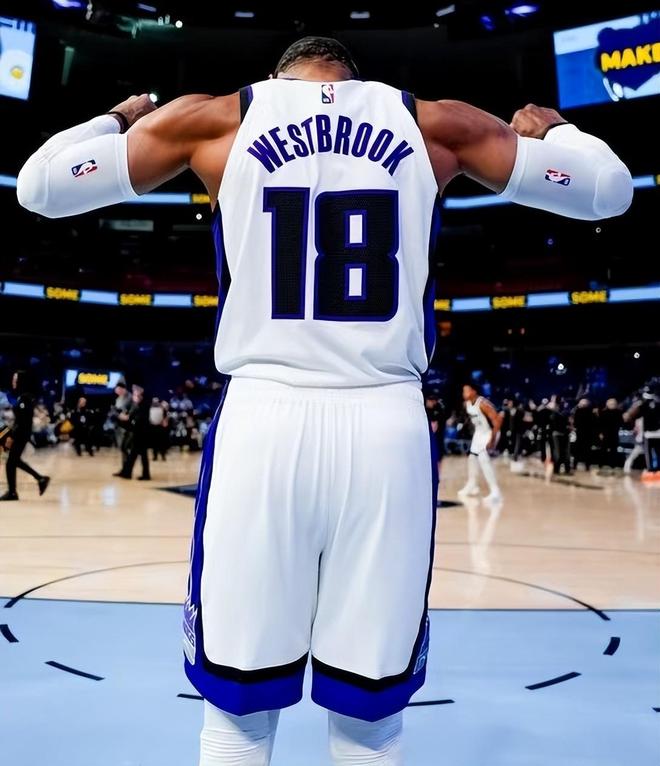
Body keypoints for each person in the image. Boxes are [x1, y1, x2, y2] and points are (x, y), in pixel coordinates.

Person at [16, 35, 633, 766]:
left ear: (279, 78)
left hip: (262, 422)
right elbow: (608, 190)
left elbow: (40, 187)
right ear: (355, 78)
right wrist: (556, 131)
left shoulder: (218, 117)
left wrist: (115, 119)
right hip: (385, 425)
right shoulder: (434, 122)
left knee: (238, 714)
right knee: (371, 718)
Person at [0, 371, 50, 501]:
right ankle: (40, 479)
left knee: (11, 462)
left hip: (21, 434)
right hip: (22, 433)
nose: (13, 381)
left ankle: (12, 492)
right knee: (14, 461)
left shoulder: (25, 398)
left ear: (21, 381)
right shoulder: (23, 397)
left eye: (15, 379)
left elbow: (22, 421)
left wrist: (12, 436)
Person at [458, 383, 503, 504]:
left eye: (466, 391)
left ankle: (495, 491)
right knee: (472, 458)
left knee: (483, 458)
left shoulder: (483, 404)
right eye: (463, 391)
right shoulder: (467, 404)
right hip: (479, 433)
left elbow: (498, 420)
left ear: (474, 391)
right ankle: (472, 485)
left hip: (490, 432)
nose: (464, 393)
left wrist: (492, 439)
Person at [114, 385, 151, 481]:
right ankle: (131, 473)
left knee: (135, 454)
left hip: (141, 433)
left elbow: (139, 419)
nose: (134, 397)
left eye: (135, 394)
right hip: (139, 432)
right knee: (138, 454)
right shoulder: (140, 405)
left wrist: (128, 418)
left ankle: (129, 473)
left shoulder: (143, 406)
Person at [598, 398, 623, 473]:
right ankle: (601, 464)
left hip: (614, 434)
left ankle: (613, 465)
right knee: (603, 450)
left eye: (614, 404)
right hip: (605, 434)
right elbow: (600, 424)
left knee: (614, 450)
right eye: (611, 404)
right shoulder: (603, 413)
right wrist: (600, 433)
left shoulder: (619, 412)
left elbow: (621, 423)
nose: (613, 405)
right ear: (607, 404)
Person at [572, 397, 596, 471]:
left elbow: (575, 423)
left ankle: (575, 465)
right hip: (588, 434)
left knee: (578, 450)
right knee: (587, 451)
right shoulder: (592, 413)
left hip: (581, 433)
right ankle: (587, 466)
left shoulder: (578, 411)